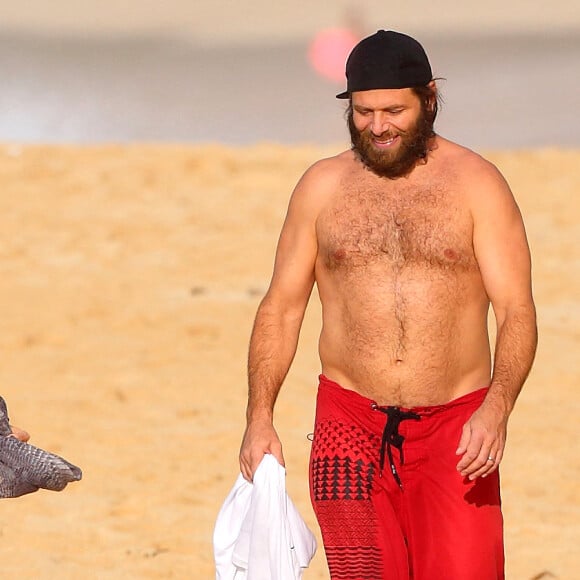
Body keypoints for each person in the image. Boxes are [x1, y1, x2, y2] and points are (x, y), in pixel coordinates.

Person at [239, 29, 537, 580]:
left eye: (394, 110)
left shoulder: (477, 185)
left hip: (456, 430)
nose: (378, 126)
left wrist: (496, 410)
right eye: (363, 112)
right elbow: (281, 308)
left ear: (429, 99)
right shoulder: (321, 187)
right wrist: (260, 419)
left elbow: (517, 310)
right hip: (346, 427)